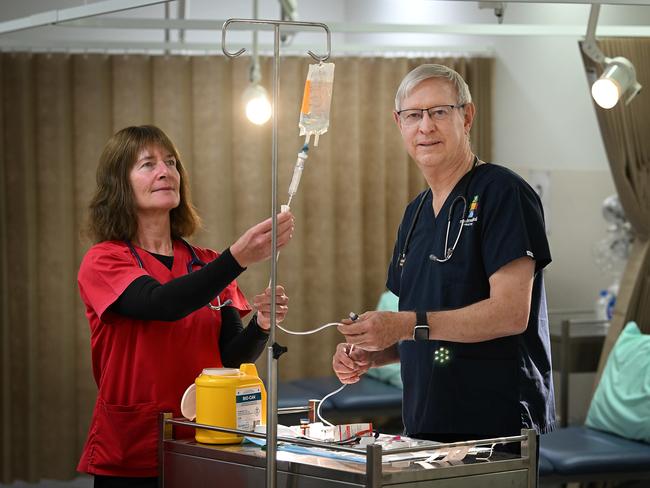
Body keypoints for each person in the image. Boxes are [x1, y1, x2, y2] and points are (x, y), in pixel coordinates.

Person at [332, 64, 555, 448]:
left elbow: (511, 314)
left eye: (439, 112)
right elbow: (425, 334)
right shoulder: (415, 213)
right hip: (426, 422)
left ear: (466, 116)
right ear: (398, 123)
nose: (426, 127)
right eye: (414, 115)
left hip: (496, 423)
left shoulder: (504, 193)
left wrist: (403, 325)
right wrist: (374, 352)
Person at [77, 125, 294, 487]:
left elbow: (228, 359)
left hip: (206, 441)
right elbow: (161, 303)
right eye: (147, 164)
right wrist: (236, 258)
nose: (165, 171)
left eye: (171, 162)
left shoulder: (204, 262)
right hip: (134, 447)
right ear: (120, 185)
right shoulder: (104, 261)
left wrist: (263, 324)